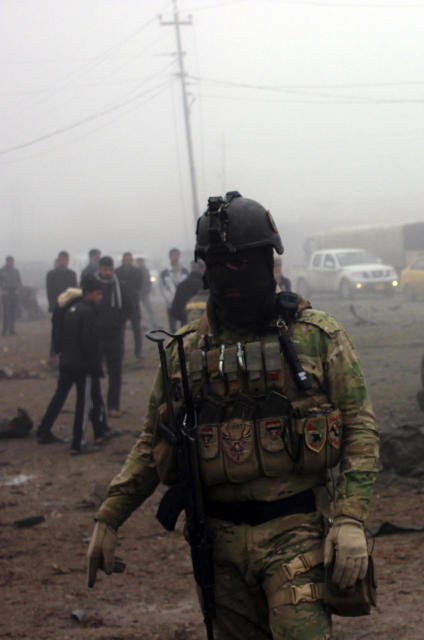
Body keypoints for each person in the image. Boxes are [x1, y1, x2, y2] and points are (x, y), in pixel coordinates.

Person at [86, 191, 380, 639]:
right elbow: (153, 442)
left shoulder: (317, 337)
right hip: (218, 545)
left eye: (241, 264)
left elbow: (359, 428)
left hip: (295, 534)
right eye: (219, 265)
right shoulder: (185, 352)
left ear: (267, 262)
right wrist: (110, 516)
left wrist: (351, 519)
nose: (229, 277)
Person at [36, 275, 110, 452]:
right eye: (98, 294)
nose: (100, 298)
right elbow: (89, 343)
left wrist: (60, 352)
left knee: (61, 396)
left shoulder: (70, 307)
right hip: (82, 366)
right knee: (85, 403)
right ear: (90, 292)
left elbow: (61, 333)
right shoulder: (87, 311)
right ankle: (79, 442)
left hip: (67, 362)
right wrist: (95, 367)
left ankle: (45, 429)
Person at [95, 257, 125, 418]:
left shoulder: (120, 286)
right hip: (97, 337)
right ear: (99, 269)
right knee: (94, 373)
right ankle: (96, 405)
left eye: (109, 269)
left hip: (115, 336)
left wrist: (118, 322)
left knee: (116, 373)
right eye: (104, 269)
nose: (107, 272)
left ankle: (113, 406)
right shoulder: (92, 286)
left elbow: (128, 307)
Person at [115, 252, 143, 359]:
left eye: (129, 259)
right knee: (120, 330)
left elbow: (139, 285)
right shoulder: (117, 271)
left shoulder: (137, 271)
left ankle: (138, 351)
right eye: (126, 259)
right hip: (121, 304)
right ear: (123, 260)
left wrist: (127, 285)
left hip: (133, 304)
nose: (128, 261)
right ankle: (120, 352)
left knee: (136, 329)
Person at [158, 248, 189, 331]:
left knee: (184, 327)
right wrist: (171, 300)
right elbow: (162, 288)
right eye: (173, 255)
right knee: (173, 327)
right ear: (170, 256)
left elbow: (187, 287)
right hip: (171, 304)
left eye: (177, 255)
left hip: (183, 303)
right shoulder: (164, 272)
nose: (175, 257)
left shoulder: (185, 271)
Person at [169, 260, 204, 326]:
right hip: (205, 327)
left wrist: (185, 318)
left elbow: (175, 310)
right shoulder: (207, 286)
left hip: (187, 327)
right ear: (203, 269)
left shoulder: (182, 285)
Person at [1, 256, 22, 337]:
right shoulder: (2, 271)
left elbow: (19, 281)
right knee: (6, 313)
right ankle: (4, 330)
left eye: (13, 262)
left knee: (13, 313)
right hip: (6, 294)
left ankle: (12, 330)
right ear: (7, 262)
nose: (12, 263)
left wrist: (18, 289)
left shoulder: (16, 271)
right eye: (10, 262)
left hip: (14, 293)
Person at [135, 257, 158, 328]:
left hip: (143, 293)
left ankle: (154, 324)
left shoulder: (144, 270)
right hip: (139, 293)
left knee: (149, 309)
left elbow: (148, 281)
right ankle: (138, 324)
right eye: (138, 262)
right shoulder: (136, 270)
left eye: (140, 262)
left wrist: (147, 289)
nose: (139, 263)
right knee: (138, 310)